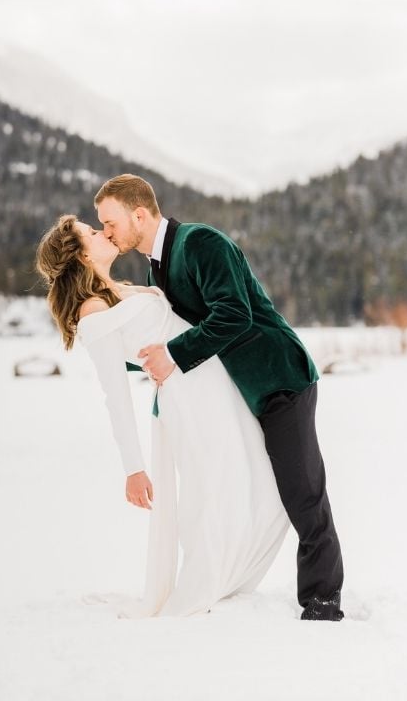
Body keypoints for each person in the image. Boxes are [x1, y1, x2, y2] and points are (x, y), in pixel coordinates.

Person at [93, 174, 345, 622]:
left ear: (138, 214)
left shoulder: (200, 243)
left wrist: (173, 355)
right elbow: (179, 333)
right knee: (258, 489)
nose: (108, 233)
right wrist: (129, 358)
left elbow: (234, 314)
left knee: (302, 492)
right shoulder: (157, 266)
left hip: (281, 378)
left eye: (109, 223)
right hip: (242, 390)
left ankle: (322, 602)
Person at [35, 214, 290, 618]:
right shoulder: (92, 310)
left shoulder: (116, 290)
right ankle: (203, 586)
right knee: (211, 487)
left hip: (212, 381)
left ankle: (230, 576)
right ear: (80, 254)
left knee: (257, 477)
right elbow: (114, 394)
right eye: (91, 232)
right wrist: (134, 468)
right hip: (189, 397)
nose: (101, 232)